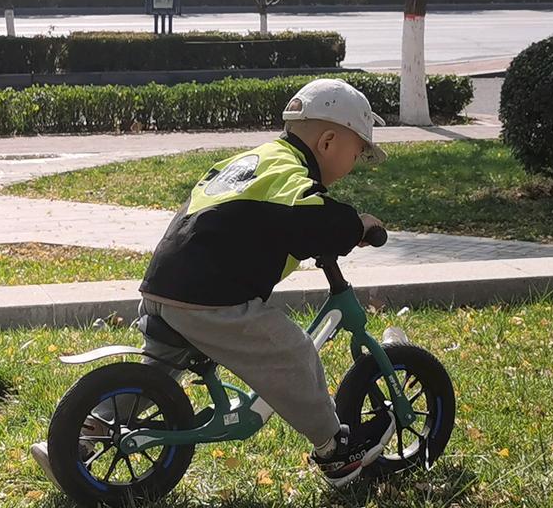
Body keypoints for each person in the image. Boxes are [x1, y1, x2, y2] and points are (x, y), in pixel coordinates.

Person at [137, 78, 394, 486]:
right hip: (211, 298)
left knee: (155, 375)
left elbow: (259, 218)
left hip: (163, 286)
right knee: (293, 352)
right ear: (328, 142)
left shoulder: (256, 160)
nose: (357, 161)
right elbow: (312, 214)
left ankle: (88, 432)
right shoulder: (290, 174)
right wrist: (353, 226)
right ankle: (335, 450)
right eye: (358, 151)